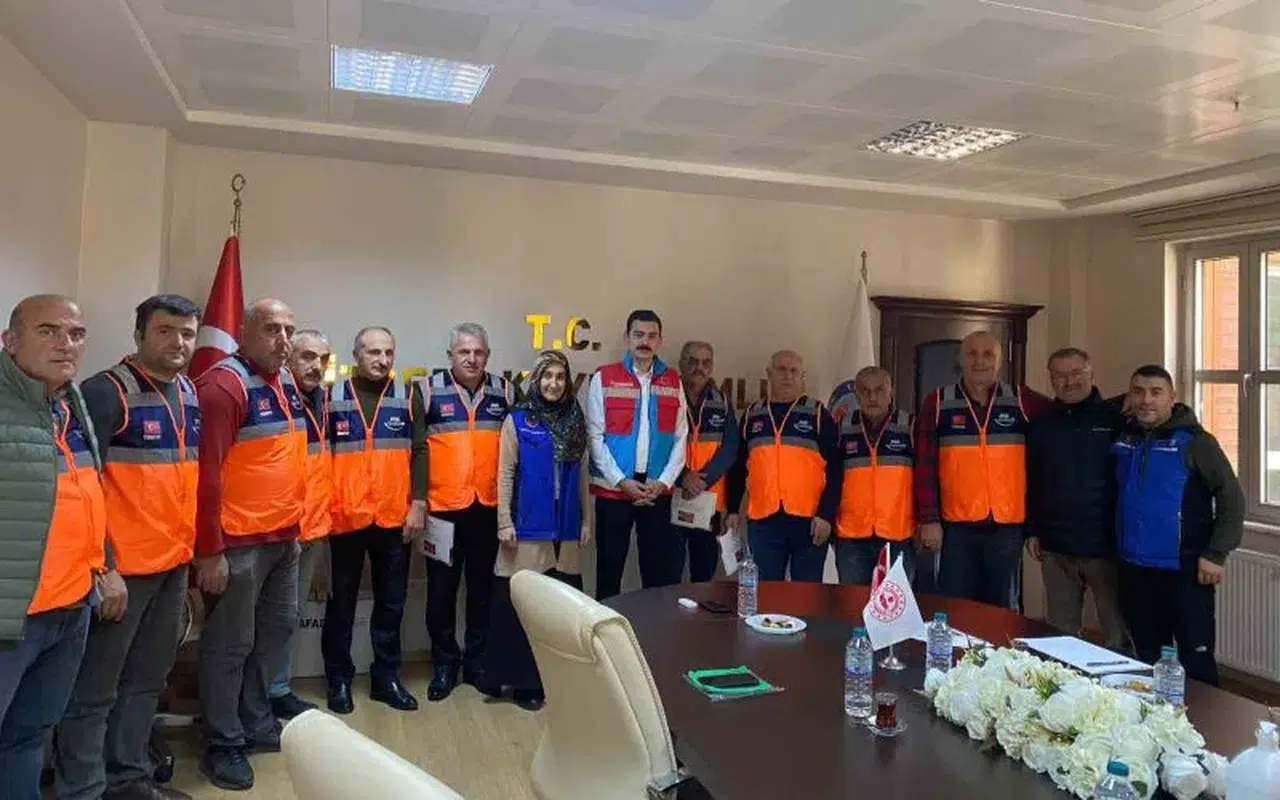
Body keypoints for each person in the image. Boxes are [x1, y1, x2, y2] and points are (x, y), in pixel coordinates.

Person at [54, 294, 202, 800]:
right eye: (165, 331)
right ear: (139, 335)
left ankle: (128, 779)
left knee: (146, 681)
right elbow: (81, 487)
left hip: (172, 565)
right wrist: (106, 567)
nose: (178, 342)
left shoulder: (188, 391)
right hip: (122, 574)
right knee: (95, 690)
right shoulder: (105, 392)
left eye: (187, 333)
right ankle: (84, 788)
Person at [0, 295, 119, 800]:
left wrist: (106, 565)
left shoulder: (70, 405)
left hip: (71, 609)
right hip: (12, 617)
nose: (65, 344)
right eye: (47, 331)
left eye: (76, 334)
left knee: (27, 737)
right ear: (10, 341)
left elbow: (86, 492)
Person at [192, 298, 306, 791]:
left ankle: (256, 722)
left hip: (284, 538)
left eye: (289, 330)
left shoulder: (284, 382)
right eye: (271, 329)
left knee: (275, 632)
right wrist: (209, 549)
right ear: (243, 331)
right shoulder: (224, 386)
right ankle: (222, 741)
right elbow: (206, 475)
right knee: (230, 646)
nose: (283, 339)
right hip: (238, 545)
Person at [1114, 365, 1243, 686]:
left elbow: (1231, 496)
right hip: (1134, 569)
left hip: (1184, 571)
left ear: (1172, 397)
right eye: (1138, 392)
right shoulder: (1125, 436)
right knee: (1146, 660)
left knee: (1195, 661)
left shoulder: (1196, 442)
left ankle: (1206, 718)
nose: (1146, 400)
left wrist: (1216, 553)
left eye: (1156, 392)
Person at [407, 323, 513, 702]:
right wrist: (418, 500)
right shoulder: (426, 390)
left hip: (487, 508)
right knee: (441, 593)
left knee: (483, 591)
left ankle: (477, 664)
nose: (471, 359)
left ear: (488, 356)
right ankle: (444, 665)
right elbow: (415, 451)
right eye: (463, 352)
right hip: (442, 510)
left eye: (478, 352)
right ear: (449, 355)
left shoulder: (505, 392)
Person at [483, 350, 590, 712]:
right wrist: (504, 521)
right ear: (536, 379)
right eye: (547, 376)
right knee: (522, 609)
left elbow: (583, 477)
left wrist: (586, 521)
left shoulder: (576, 419)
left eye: (560, 377)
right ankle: (521, 683)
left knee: (558, 611)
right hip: (527, 527)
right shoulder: (518, 420)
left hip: (566, 529)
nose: (553, 384)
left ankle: (553, 683)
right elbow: (505, 474)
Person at [914, 330, 1051, 608]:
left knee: (1002, 608)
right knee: (956, 607)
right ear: (960, 360)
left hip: (1006, 526)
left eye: (988, 354)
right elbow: (924, 464)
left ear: (1000, 362)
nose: (980, 361)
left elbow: (1066, 415)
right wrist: (929, 519)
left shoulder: (1022, 400)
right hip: (956, 526)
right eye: (972, 354)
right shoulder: (938, 402)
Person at [322, 326, 416, 714]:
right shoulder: (331, 397)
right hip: (344, 518)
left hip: (393, 518)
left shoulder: (407, 396)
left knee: (391, 605)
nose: (382, 360)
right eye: (374, 352)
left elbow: (421, 450)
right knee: (340, 605)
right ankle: (339, 680)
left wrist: (419, 504)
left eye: (388, 352)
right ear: (356, 355)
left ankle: (386, 679)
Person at [1025, 347, 1128, 650]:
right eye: (1060, 375)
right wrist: (1032, 530)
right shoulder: (1041, 423)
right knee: (1060, 635)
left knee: (1118, 634)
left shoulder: (1117, 417)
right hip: (1055, 546)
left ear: (1091, 374)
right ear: (1051, 379)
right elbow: (1032, 479)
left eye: (1075, 373)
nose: (1068, 381)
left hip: (1106, 546)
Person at [587, 310, 689, 600]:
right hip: (614, 492)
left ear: (660, 341)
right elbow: (594, 437)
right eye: (639, 334)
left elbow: (681, 437)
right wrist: (622, 481)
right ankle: (605, 629)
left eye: (652, 336)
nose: (645, 341)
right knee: (609, 574)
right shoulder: (604, 378)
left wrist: (664, 482)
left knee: (656, 577)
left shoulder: (673, 381)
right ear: (627, 338)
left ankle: (650, 629)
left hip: (656, 493)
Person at [726, 350, 840, 582]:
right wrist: (732, 509)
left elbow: (836, 470)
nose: (788, 376)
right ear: (769, 373)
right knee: (767, 591)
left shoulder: (818, 414)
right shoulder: (752, 415)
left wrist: (826, 514)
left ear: (802, 376)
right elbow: (738, 466)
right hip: (763, 520)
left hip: (809, 520)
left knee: (807, 593)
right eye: (781, 370)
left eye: (794, 371)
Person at [266, 329, 333, 720]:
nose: (317, 366)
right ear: (288, 356)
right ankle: (256, 697)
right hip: (281, 530)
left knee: (289, 619)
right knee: (270, 621)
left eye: (323, 359)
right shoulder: (275, 397)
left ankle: (278, 689)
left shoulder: (322, 399)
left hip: (313, 525)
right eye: (307, 356)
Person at [833, 366, 915, 585]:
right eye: (865, 391)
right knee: (853, 603)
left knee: (894, 604)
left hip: (898, 535)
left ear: (891, 392)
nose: (872, 397)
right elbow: (830, 479)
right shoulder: (842, 428)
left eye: (879, 390)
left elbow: (925, 480)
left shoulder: (910, 427)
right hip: (851, 537)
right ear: (856, 395)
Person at [676, 341, 738, 582]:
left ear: (712, 367)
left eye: (705, 362)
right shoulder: (669, 396)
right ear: (681, 364)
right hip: (672, 494)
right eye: (692, 361)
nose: (699, 367)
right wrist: (684, 477)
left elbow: (730, 448)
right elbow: (657, 445)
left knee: (703, 575)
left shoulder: (722, 401)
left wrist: (702, 480)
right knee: (667, 572)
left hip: (708, 501)